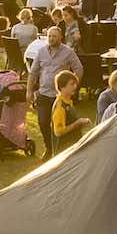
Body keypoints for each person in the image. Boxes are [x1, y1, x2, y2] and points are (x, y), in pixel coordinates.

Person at [26, 26, 80, 161]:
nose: (51, 39)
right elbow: (33, 72)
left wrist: (72, 87)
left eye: (54, 36)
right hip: (44, 93)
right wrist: (29, 91)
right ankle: (49, 148)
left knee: (60, 125)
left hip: (59, 96)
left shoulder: (68, 52)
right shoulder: (41, 52)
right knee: (43, 122)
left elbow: (78, 69)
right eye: (49, 36)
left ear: (60, 37)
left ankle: (60, 149)